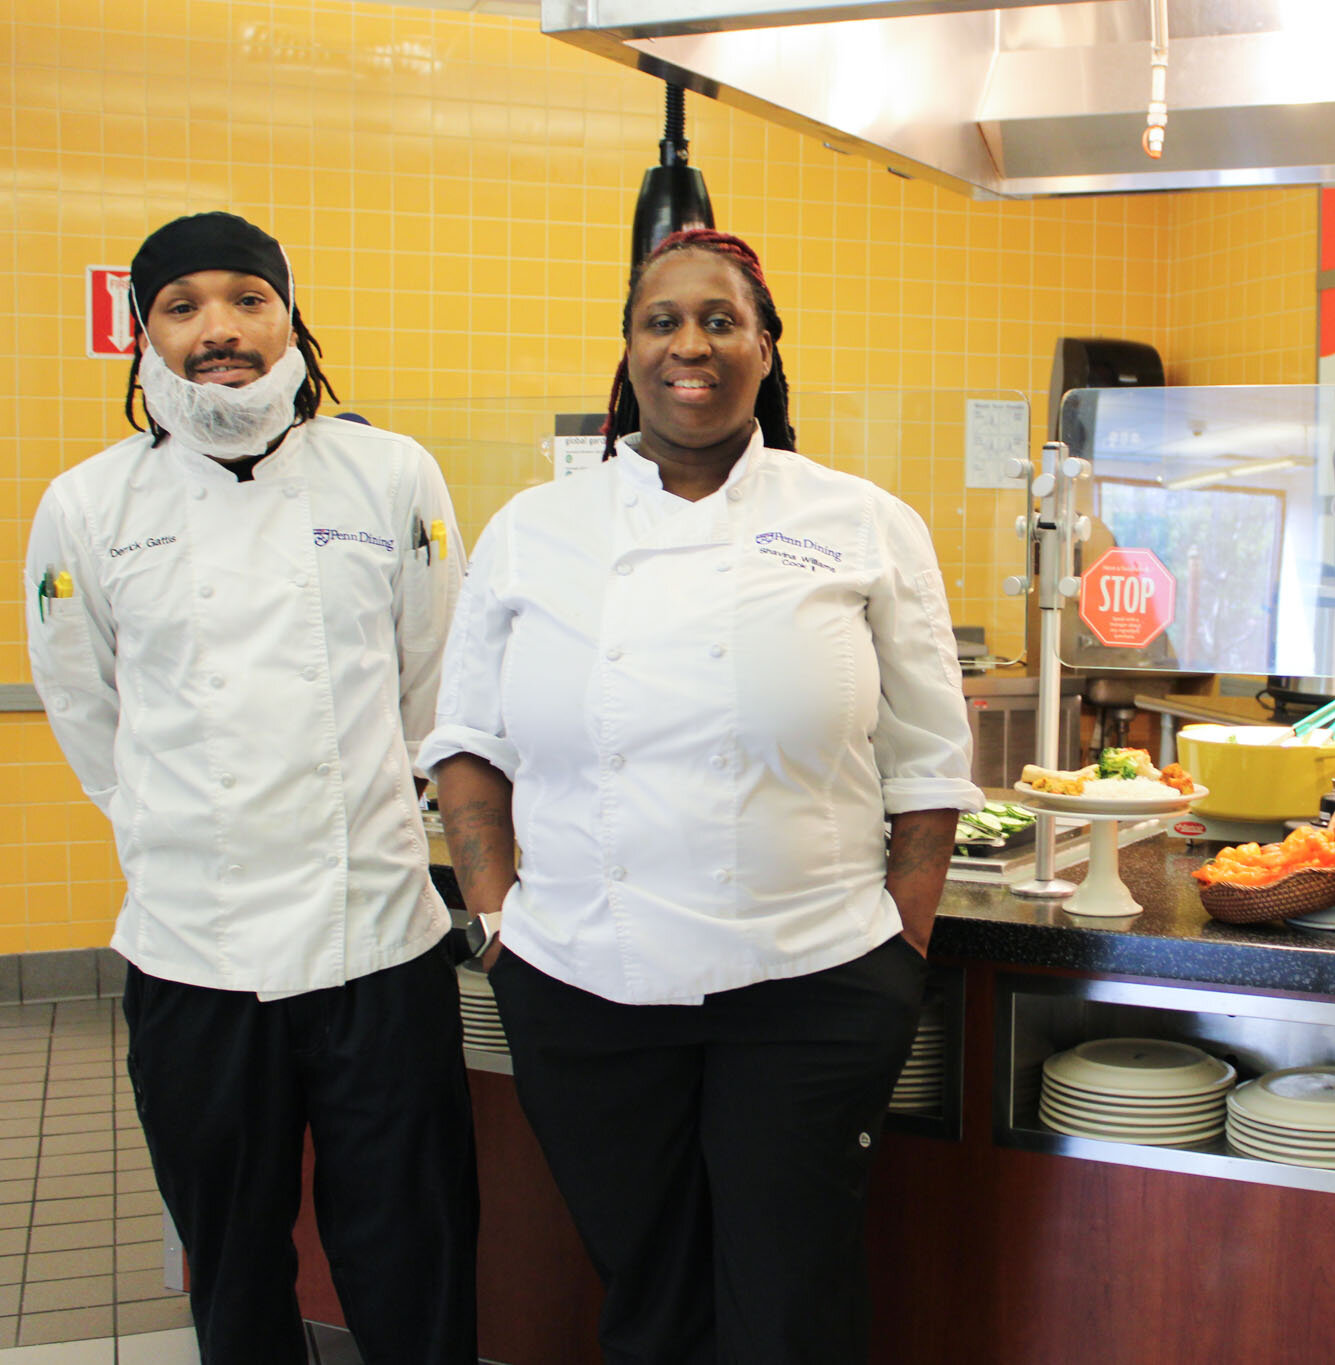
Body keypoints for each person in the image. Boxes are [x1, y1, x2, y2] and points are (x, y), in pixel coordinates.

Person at [421, 227, 984, 1365]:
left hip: (813, 983)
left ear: (766, 351)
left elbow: (928, 767)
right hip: (585, 981)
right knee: (647, 1289)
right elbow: (469, 745)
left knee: (794, 1298)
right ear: (628, 352)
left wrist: (896, 951)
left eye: (722, 321)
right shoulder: (535, 530)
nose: (692, 345)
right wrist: (498, 929)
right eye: (662, 320)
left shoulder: (864, 523)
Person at [25, 212, 477, 1364]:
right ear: (145, 337)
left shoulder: (390, 476)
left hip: (376, 939)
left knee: (412, 1254)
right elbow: (91, 717)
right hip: (196, 955)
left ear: (291, 316)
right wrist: (185, 831)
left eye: (246, 297)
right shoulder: (87, 508)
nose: (217, 330)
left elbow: (437, 689)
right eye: (181, 306)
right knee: (230, 1262)